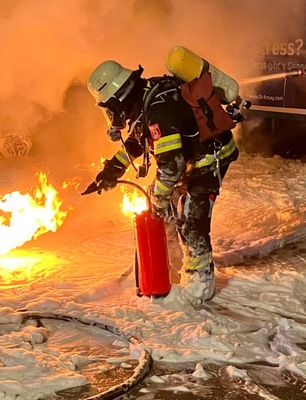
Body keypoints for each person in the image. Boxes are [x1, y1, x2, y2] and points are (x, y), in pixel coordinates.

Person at [82, 60, 239, 307]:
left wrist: (158, 199)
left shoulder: (158, 111)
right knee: (162, 203)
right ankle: (171, 263)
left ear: (117, 99)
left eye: (108, 107)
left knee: (191, 221)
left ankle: (201, 284)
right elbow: (136, 141)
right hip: (190, 159)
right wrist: (112, 169)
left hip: (210, 159)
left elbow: (172, 167)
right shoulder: (146, 96)